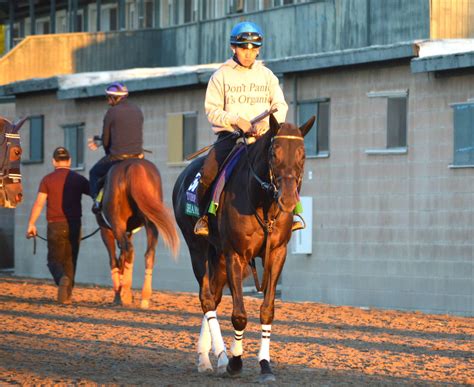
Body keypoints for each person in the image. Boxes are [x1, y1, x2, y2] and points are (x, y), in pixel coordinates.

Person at [194, 21, 304, 236]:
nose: (249, 54)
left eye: (254, 49)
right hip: (232, 138)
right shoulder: (221, 76)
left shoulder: (268, 75)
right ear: (233, 48)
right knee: (207, 172)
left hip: (263, 138)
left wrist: (266, 124)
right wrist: (237, 120)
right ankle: (204, 217)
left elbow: (280, 106)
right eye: (244, 48)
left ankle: (294, 214)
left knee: (289, 166)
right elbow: (212, 111)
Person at [26, 147, 90, 304]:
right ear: (69, 161)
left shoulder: (47, 180)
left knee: (54, 260)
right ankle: (66, 297)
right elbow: (96, 194)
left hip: (55, 225)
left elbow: (39, 203)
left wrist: (31, 224)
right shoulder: (78, 179)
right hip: (75, 224)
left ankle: (61, 279)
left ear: (53, 161)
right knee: (70, 260)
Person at [88, 82, 144, 213]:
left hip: (117, 158)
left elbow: (106, 142)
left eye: (109, 98)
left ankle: (97, 201)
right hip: (138, 157)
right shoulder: (137, 110)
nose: (108, 101)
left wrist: (106, 149)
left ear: (115, 98)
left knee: (94, 173)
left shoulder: (111, 112)